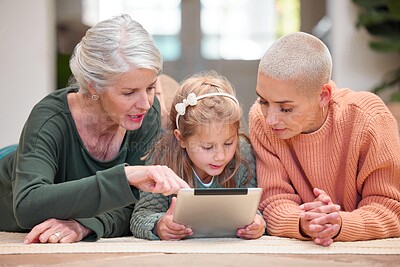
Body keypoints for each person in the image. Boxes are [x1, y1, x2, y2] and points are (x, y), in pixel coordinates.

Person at [0, 14, 189, 244]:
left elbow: (136, 208)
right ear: (93, 86)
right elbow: (27, 206)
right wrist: (126, 176)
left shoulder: (145, 116)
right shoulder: (50, 118)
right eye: (128, 93)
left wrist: (84, 225)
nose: (145, 103)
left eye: (150, 87)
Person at [249, 31, 400, 247]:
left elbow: (390, 209)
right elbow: (274, 203)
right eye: (263, 101)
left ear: (323, 95)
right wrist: (304, 223)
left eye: (286, 108)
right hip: (299, 252)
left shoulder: (370, 118)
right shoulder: (260, 118)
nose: (271, 119)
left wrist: (338, 224)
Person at [130, 71, 266, 240]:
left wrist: (257, 222)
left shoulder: (243, 154)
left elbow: (254, 209)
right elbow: (141, 216)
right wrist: (159, 225)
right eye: (208, 147)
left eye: (229, 143)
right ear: (182, 139)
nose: (221, 156)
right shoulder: (162, 158)